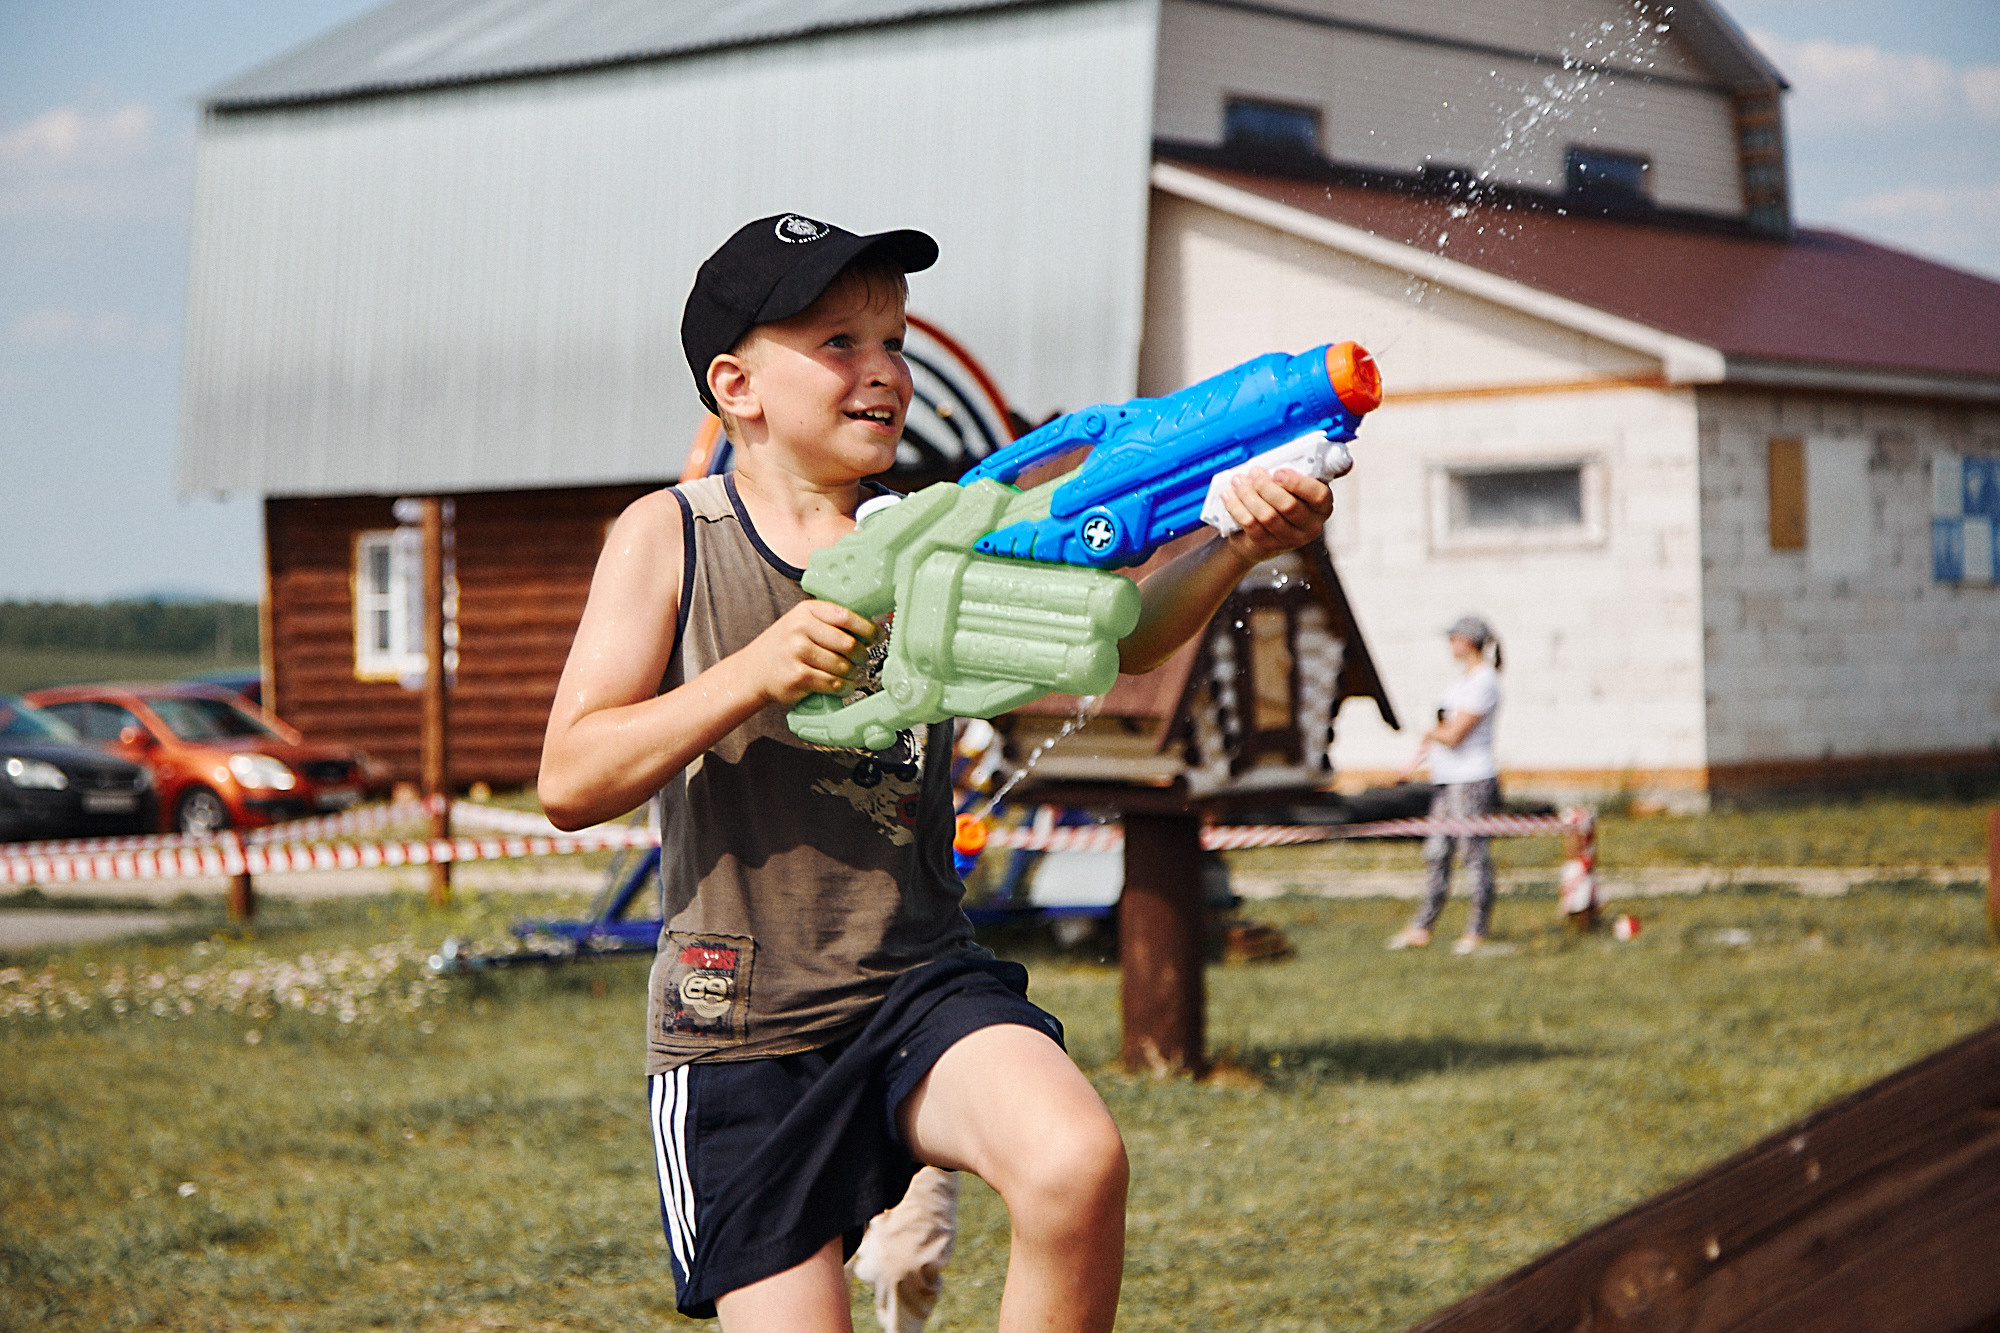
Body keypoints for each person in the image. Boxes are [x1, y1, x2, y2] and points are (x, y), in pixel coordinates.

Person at [537, 212, 1334, 1331]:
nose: (883, 372)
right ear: (737, 384)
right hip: (742, 1031)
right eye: (839, 344)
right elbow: (569, 777)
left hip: (917, 981)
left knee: (1074, 1162)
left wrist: (1235, 544)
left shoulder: (936, 535)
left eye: (895, 342)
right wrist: (753, 669)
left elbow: (1120, 638)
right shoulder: (670, 534)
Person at [1389, 615, 1504, 956]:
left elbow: (1454, 735)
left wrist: (1428, 732)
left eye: (1453, 638)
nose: (1449, 644)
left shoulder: (1484, 682)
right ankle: (1423, 926)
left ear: (1467, 640)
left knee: (1473, 855)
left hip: (1471, 779)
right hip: (1446, 779)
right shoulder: (1462, 683)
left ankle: (1476, 930)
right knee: (1436, 853)